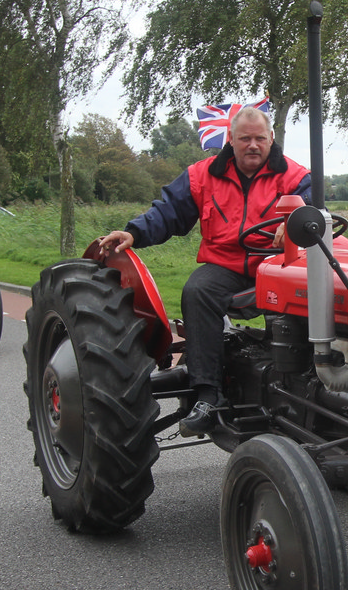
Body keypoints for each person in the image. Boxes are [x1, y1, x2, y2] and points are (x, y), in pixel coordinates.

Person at [101, 106, 310, 433]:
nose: (252, 145)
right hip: (226, 265)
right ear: (231, 140)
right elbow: (168, 212)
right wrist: (134, 233)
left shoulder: (294, 177)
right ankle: (208, 395)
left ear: (271, 138)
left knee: (309, 288)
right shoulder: (203, 176)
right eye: (245, 139)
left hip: (275, 264)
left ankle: (303, 383)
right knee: (198, 290)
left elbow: (315, 210)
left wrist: (296, 222)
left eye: (259, 138)